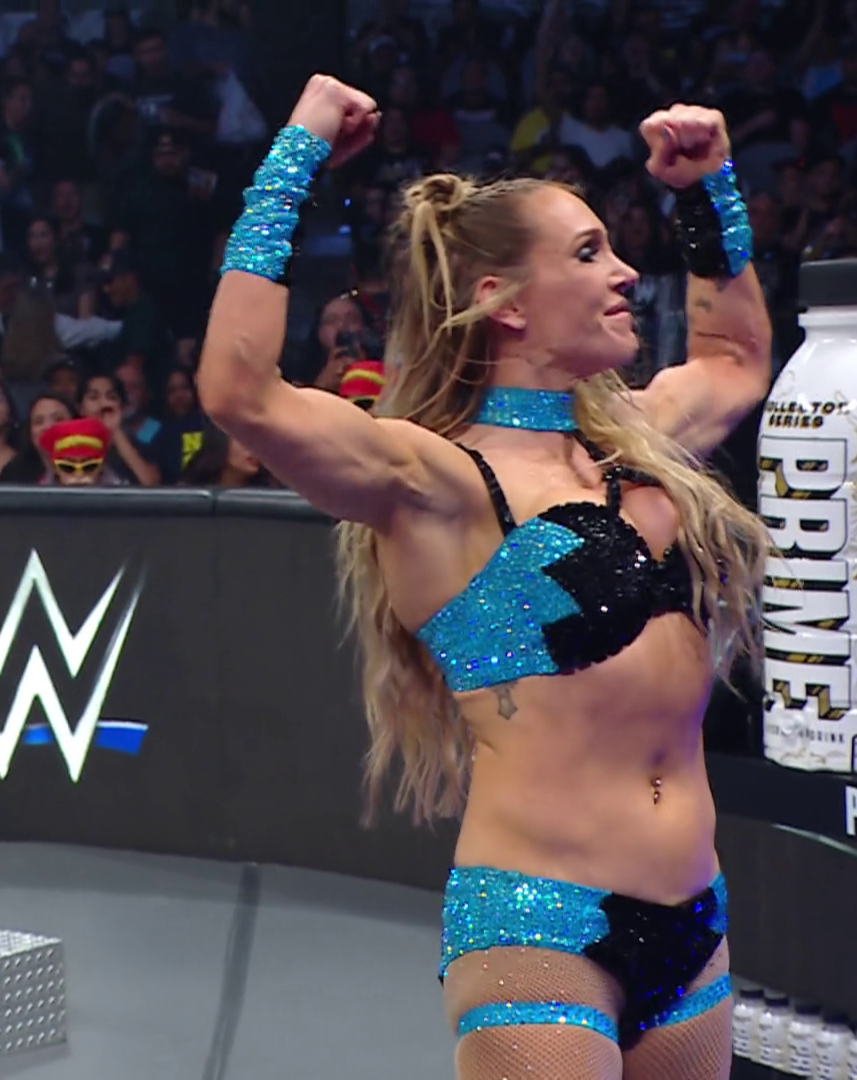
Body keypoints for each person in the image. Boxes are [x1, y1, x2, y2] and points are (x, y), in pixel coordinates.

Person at [198, 77, 772, 1077]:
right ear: (499, 299)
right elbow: (239, 390)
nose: (626, 273)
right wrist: (296, 154)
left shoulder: (639, 440)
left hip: (694, 919)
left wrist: (707, 189)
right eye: (588, 253)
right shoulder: (434, 482)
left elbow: (735, 357)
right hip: (540, 929)